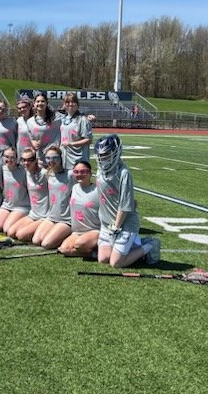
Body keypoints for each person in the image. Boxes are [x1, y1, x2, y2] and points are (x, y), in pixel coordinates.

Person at [95, 134, 160, 268]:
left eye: (106, 154)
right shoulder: (100, 171)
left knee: (116, 263)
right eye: (101, 155)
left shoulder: (123, 173)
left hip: (124, 224)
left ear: (116, 152)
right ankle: (135, 243)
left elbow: (125, 206)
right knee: (103, 258)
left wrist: (116, 227)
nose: (103, 158)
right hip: (107, 223)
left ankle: (150, 245)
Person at [31, 145, 75, 249]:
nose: (51, 160)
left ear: (61, 158)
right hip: (51, 217)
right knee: (36, 240)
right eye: (48, 158)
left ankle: (68, 234)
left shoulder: (70, 174)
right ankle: (57, 233)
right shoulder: (48, 174)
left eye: (55, 157)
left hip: (66, 220)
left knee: (46, 244)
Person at [58, 160, 100, 257]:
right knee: (64, 249)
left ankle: (98, 253)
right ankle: (92, 252)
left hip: (94, 230)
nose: (79, 174)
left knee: (79, 245)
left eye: (83, 172)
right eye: (76, 172)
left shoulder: (97, 190)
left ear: (90, 173)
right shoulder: (74, 188)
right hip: (77, 232)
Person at [9, 148, 49, 243]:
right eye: (23, 160)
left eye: (30, 160)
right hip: (33, 214)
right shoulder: (26, 172)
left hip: (44, 216)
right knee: (11, 232)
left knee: (21, 235)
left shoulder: (44, 174)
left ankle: (45, 230)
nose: (26, 163)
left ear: (36, 160)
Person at [0, 147, 30, 234]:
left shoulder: (24, 171)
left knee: (6, 228)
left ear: (17, 159)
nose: (9, 159)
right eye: (6, 157)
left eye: (12, 157)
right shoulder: (1, 169)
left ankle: (26, 218)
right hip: (7, 205)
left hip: (21, 206)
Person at [59, 92, 93, 171]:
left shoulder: (83, 119)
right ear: (64, 104)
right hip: (64, 157)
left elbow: (88, 140)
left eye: (73, 102)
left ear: (77, 104)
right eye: (67, 102)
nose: (70, 104)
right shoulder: (62, 118)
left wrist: (71, 144)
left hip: (78, 158)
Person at [27, 92, 61, 166]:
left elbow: (69, 118)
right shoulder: (30, 121)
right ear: (34, 104)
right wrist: (33, 142)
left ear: (47, 103)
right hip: (40, 158)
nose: (40, 103)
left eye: (42, 101)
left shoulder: (56, 118)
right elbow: (31, 138)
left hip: (54, 157)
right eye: (38, 101)